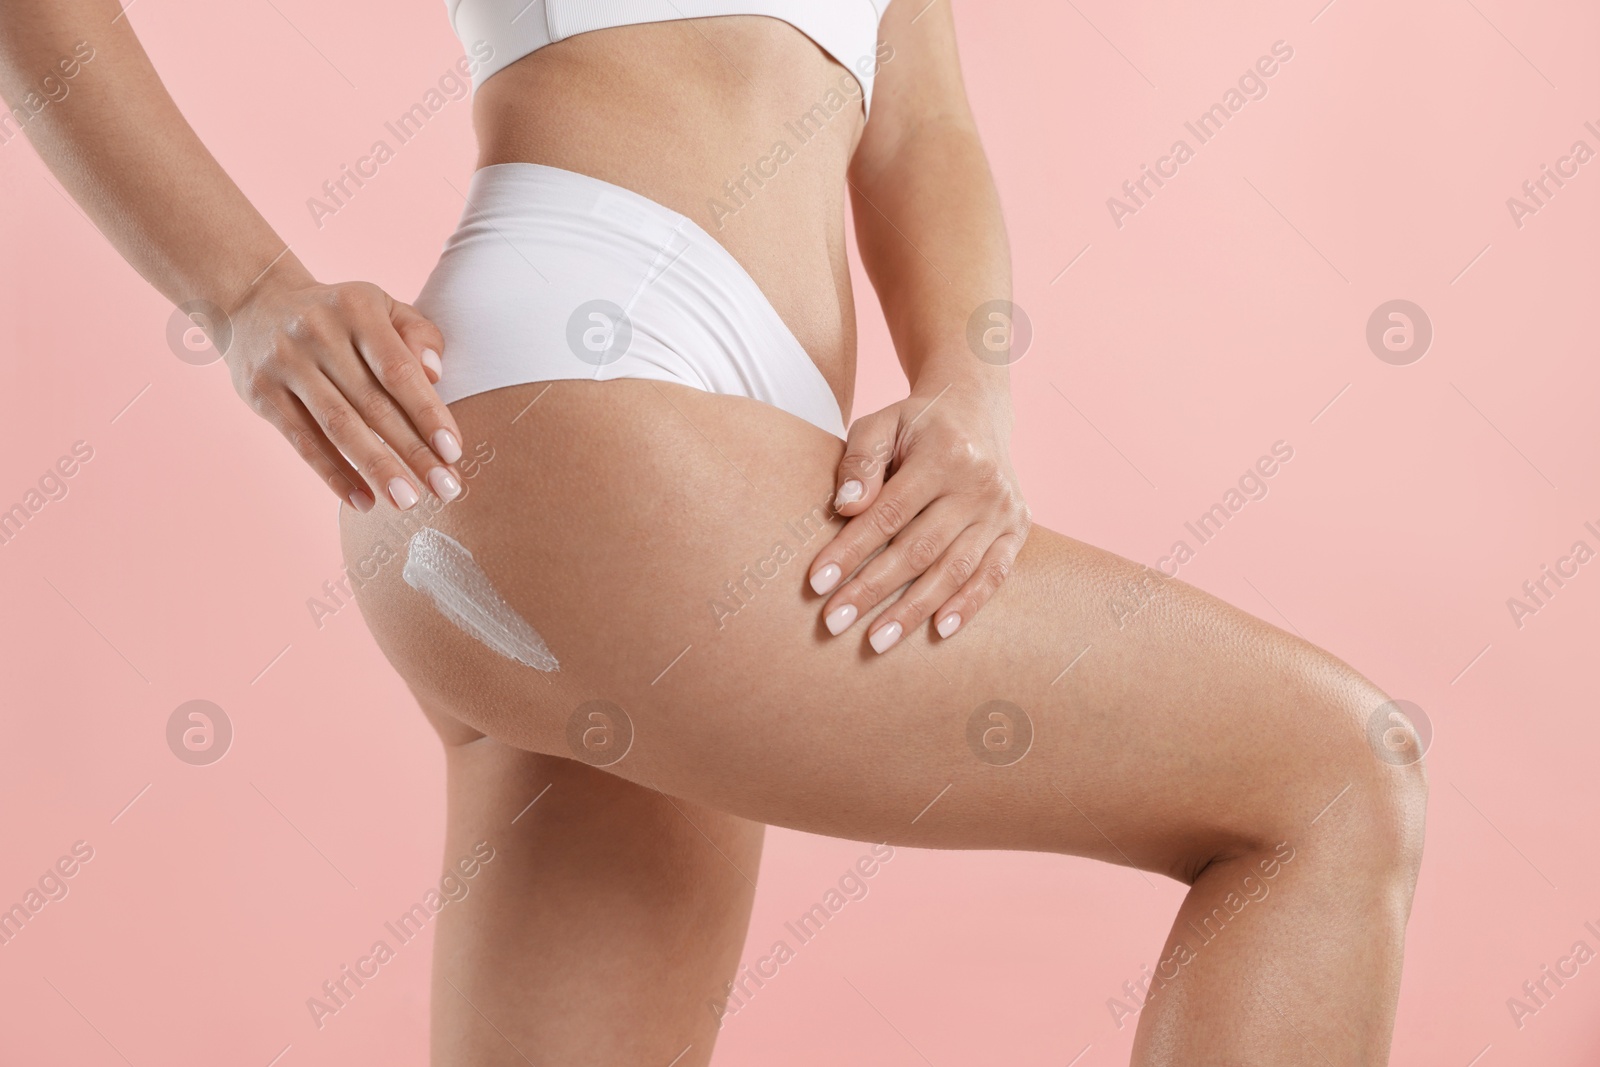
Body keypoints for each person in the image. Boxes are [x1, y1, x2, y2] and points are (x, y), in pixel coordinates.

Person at [2, 2, 1428, 1064]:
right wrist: (249, 294)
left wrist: (966, 392)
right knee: (1333, 779)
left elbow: (920, 121)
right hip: (595, 400)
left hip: (647, 468)